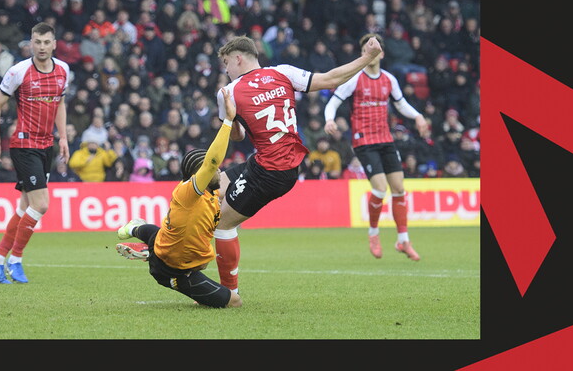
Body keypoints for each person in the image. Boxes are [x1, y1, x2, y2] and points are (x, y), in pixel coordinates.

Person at [205, 34, 383, 294]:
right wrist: (367, 58)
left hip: (268, 170)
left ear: (238, 58)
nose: (226, 70)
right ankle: (181, 253)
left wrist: (233, 119)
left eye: (226, 63)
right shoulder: (283, 72)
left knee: (224, 225)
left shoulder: (228, 92)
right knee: (213, 190)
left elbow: (235, 136)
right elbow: (331, 78)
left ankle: (230, 294)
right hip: (281, 164)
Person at [113, 87, 242, 309]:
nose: (219, 171)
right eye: (215, 170)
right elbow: (212, 161)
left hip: (176, 250)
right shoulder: (188, 191)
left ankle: (138, 232)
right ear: (198, 174)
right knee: (234, 302)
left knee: (168, 240)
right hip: (172, 271)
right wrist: (228, 121)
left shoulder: (211, 193)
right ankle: (149, 249)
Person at [323, 33, 430, 261]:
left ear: (381, 53)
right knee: (381, 189)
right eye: (365, 50)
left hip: (385, 139)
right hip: (364, 141)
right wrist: (329, 119)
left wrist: (419, 116)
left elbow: (401, 104)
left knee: (399, 188)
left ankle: (403, 240)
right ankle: (373, 234)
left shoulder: (389, 79)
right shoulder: (354, 78)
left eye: (373, 48)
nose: (369, 53)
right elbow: (333, 101)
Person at [0, 23, 71, 284]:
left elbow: (60, 103)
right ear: (31, 43)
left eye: (46, 42)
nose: (41, 47)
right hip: (23, 144)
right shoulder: (18, 72)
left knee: (24, 207)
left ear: (54, 43)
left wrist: (63, 136)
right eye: (37, 42)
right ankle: (16, 259)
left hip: (46, 145)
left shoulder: (63, 70)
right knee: (40, 204)